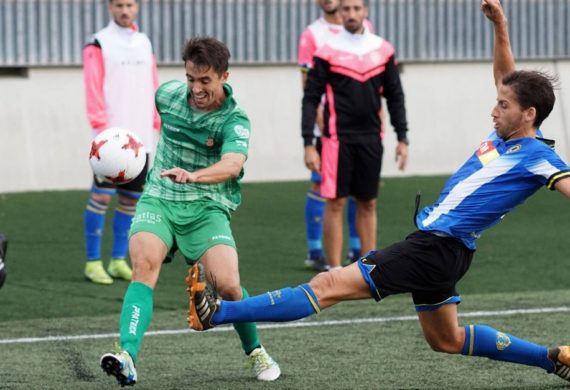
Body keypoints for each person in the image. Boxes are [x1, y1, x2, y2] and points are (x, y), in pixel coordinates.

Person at [188, 0, 570, 384]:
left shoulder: (539, 157)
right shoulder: (504, 133)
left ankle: (219, 313)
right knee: (447, 339)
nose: (493, 110)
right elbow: (506, 78)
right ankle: (552, 358)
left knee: (327, 285)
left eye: (502, 106)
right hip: (445, 250)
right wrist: (500, 26)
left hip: (436, 248)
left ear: (529, 115)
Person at [99, 37, 280, 386]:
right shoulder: (166, 96)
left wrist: (194, 177)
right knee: (143, 267)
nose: (196, 89)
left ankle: (255, 351)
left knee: (229, 285)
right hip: (160, 198)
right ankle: (127, 356)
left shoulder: (235, 120)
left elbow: (231, 164)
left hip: (207, 204)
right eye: (190, 79)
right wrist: (119, 149)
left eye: (205, 81)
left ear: (224, 76)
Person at [302, 0, 409, 271]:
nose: (351, 14)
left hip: (372, 138)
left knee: (368, 203)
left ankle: (369, 266)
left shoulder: (382, 49)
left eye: (356, 8)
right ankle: (334, 269)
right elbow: (310, 98)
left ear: (366, 11)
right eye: (346, 9)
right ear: (340, 12)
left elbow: (395, 96)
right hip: (336, 140)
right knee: (335, 202)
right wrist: (308, 143)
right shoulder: (327, 51)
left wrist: (403, 138)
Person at [82, 0, 160, 285]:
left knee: (131, 200)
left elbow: (153, 82)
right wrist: (102, 133)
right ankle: (92, 262)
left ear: (137, 7)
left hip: (140, 141)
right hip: (110, 142)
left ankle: (117, 260)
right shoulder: (98, 43)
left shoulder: (144, 42)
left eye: (129, 4)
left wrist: (157, 121)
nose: (124, 10)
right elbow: (92, 88)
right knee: (102, 197)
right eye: (119, 5)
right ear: (109, 8)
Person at [298, 0, 375, 272]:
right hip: (329, 128)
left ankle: (357, 247)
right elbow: (308, 86)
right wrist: (323, 123)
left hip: (360, 128)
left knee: (359, 189)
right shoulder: (311, 34)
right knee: (324, 186)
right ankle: (315, 250)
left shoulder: (364, 27)